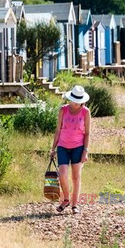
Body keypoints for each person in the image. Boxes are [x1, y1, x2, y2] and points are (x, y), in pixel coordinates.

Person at [49, 85, 91, 214]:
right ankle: (66, 199)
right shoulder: (63, 110)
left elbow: (87, 133)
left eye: (78, 101)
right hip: (62, 146)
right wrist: (53, 148)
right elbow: (58, 130)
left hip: (78, 147)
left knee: (76, 176)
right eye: (73, 100)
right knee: (62, 174)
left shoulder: (85, 112)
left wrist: (85, 150)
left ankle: (74, 204)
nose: (75, 103)